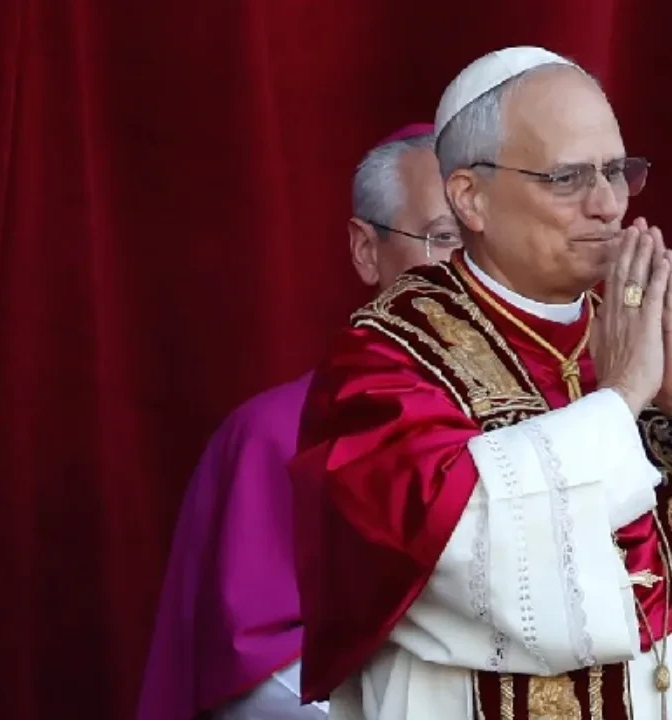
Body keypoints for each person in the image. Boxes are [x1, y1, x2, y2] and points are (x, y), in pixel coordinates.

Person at [291, 46, 672, 720]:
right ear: (470, 197)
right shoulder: (391, 359)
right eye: (567, 179)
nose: (606, 204)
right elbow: (460, 558)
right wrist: (618, 403)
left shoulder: (654, 342)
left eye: (617, 172)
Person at [136, 123, 461, 720]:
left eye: (488, 240)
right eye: (443, 237)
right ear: (367, 250)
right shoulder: (273, 437)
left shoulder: (562, 418)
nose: (471, 267)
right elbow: (252, 680)